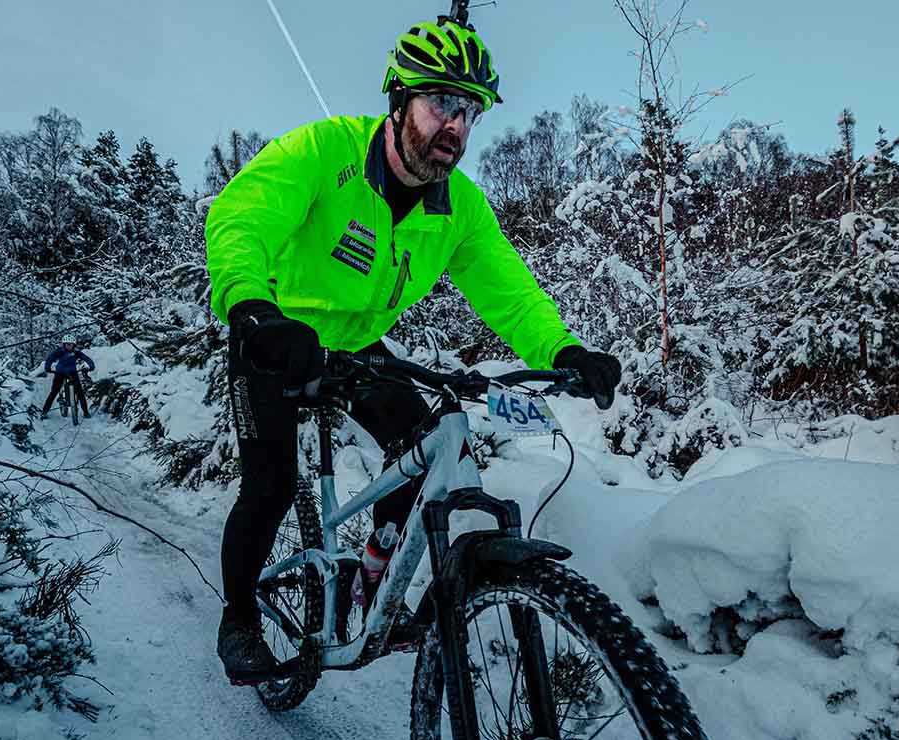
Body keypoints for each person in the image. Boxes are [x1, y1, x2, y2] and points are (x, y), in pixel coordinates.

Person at [205, 16, 620, 684]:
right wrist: (252, 307)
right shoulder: (325, 151)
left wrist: (564, 348)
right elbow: (240, 217)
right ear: (398, 99)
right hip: (275, 334)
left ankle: (374, 582)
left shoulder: (459, 209)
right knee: (271, 483)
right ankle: (238, 618)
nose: (455, 125)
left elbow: (509, 293)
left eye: (469, 111)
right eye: (441, 103)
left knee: (427, 448)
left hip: (357, 346)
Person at [41, 337, 95, 418]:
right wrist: (47, 367)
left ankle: (86, 412)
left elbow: (86, 358)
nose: (69, 346)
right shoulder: (59, 351)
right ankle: (44, 412)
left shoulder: (76, 352)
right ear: (64, 345)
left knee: (80, 393)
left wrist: (91, 366)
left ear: (74, 345)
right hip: (60, 373)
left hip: (73, 373)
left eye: (71, 345)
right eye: (67, 344)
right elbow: (50, 359)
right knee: (54, 392)